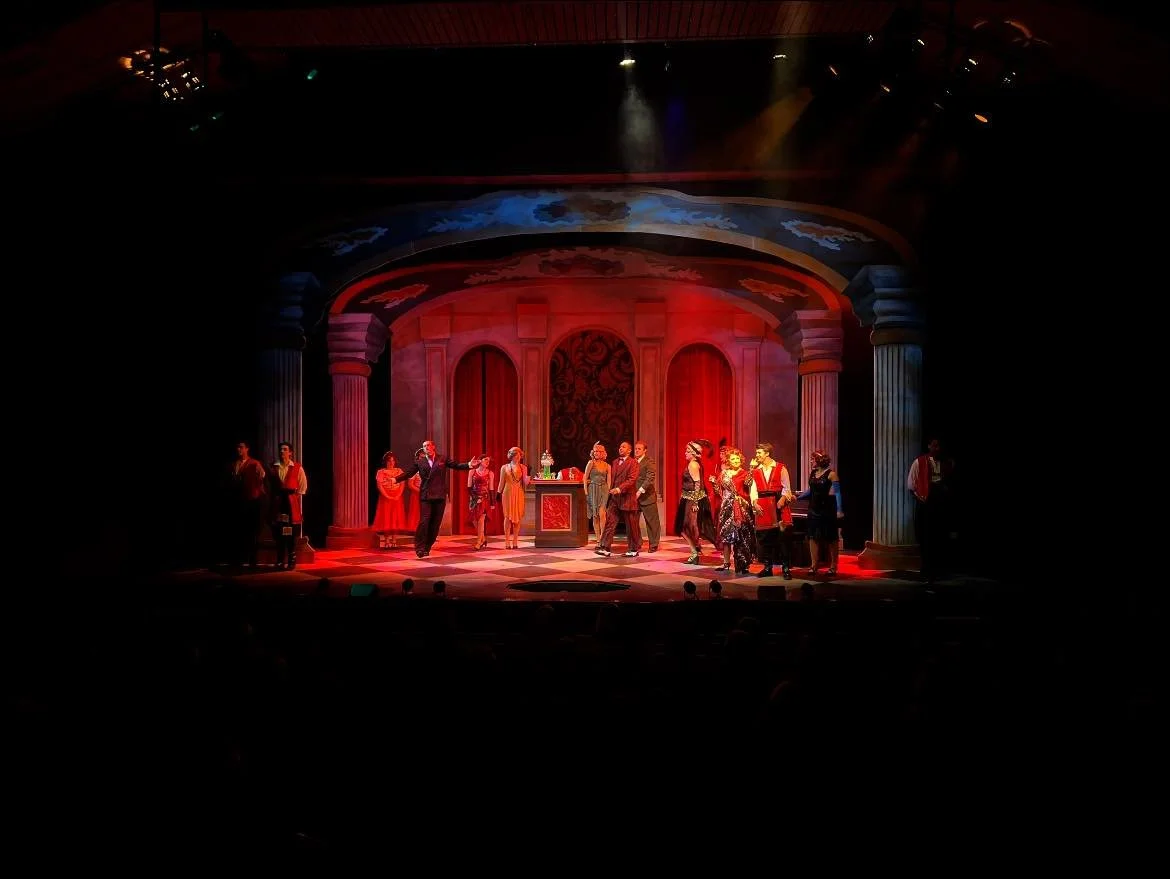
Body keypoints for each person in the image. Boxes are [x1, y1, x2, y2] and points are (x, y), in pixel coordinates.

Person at [391, 440, 479, 558]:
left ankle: (427, 547)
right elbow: (408, 473)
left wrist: (469, 465)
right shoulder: (420, 462)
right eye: (424, 446)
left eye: (428, 445)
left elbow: (456, 465)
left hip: (439, 496)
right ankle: (419, 547)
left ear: (433, 447)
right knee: (424, 521)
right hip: (426, 496)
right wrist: (395, 479)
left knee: (435, 524)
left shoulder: (442, 458)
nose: (426, 447)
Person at [907, 438, 955, 581]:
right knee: (925, 536)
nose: (937, 449)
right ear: (929, 446)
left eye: (939, 446)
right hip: (926, 502)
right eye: (934, 446)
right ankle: (926, 568)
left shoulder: (947, 463)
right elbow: (911, 485)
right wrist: (921, 498)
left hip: (941, 502)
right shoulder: (920, 462)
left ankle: (939, 568)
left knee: (939, 536)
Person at [749, 442, 794, 579]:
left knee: (782, 538)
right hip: (763, 505)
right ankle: (768, 567)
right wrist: (755, 503)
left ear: (767, 453)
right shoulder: (756, 470)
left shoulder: (780, 468)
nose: (757, 455)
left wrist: (783, 499)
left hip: (778, 503)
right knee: (765, 539)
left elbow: (787, 487)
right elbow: (753, 489)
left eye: (759, 453)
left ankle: (786, 568)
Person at [795, 450, 843, 576]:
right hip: (813, 509)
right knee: (812, 537)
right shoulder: (813, 473)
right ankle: (814, 565)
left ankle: (833, 566)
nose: (811, 461)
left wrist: (839, 510)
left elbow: (838, 493)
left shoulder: (831, 474)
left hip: (827, 509)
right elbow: (811, 491)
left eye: (813, 459)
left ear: (819, 460)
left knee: (831, 538)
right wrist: (798, 497)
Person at [710, 446, 756, 574]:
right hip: (726, 507)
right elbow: (719, 492)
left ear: (741, 460)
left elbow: (748, 484)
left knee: (741, 535)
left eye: (737, 459)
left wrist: (751, 469)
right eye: (733, 459)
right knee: (726, 535)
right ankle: (726, 563)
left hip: (740, 507)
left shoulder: (744, 473)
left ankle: (742, 564)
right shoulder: (724, 473)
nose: (736, 461)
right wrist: (713, 483)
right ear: (728, 461)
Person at [674, 439, 716, 564]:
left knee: (689, 527)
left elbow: (697, 484)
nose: (685, 453)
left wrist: (696, 503)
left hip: (692, 500)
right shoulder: (694, 463)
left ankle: (695, 551)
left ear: (693, 453)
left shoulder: (693, 464)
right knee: (684, 527)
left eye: (687, 451)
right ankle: (695, 550)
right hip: (687, 499)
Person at [596, 441, 640, 557]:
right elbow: (612, 479)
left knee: (631, 525)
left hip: (627, 497)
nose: (620, 448)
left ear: (629, 450)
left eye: (623, 447)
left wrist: (619, 489)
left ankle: (633, 549)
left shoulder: (633, 463)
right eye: (620, 446)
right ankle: (605, 547)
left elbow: (632, 479)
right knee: (610, 522)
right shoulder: (615, 462)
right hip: (615, 498)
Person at [268, 441, 308, 570]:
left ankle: (292, 559)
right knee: (279, 532)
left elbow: (302, 486)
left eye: (285, 449)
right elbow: (268, 486)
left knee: (290, 533)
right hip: (278, 504)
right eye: (280, 449)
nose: (282, 451)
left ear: (290, 452)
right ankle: (280, 559)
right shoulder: (273, 467)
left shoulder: (297, 467)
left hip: (290, 505)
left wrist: (294, 498)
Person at [228, 440, 266, 567]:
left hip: (252, 500)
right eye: (238, 447)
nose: (239, 449)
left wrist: (256, 490)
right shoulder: (235, 464)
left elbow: (262, 477)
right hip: (239, 500)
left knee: (252, 530)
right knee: (240, 529)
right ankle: (240, 558)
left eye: (241, 447)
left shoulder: (255, 463)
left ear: (247, 449)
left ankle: (252, 558)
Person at [372, 451, 417, 550]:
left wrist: (398, 495)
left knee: (396, 518)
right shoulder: (381, 472)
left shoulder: (399, 471)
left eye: (393, 461)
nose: (391, 463)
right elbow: (380, 486)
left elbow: (402, 484)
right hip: (385, 497)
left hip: (397, 497)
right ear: (385, 462)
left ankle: (394, 540)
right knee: (386, 518)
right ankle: (387, 540)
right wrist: (387, 496)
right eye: (389, 461)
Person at [498, 447, 531, 550]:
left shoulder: (523, 467)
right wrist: (498, 493)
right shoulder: (504, 467)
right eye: (516, 455)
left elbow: (526, 483)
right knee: (507, 517)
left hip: (518, 492)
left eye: (519, 455)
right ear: (511, 456)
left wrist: (528, 474)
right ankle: (507, 541)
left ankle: (515, 541)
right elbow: (501, 482)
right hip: (507, 493)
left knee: (517, 518)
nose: (518, 457)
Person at [633, 440, 660, 553]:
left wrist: (640, 491)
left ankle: (653, 544)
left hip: (647, 497)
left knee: (652, 522)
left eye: (639, 449)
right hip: (634, 497)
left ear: (645, 450)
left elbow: (650, 478)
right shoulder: (632, 462)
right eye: (636, 449)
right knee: (633, 522)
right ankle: (637, 543)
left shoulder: (649, 461)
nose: (637, 451)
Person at [582, 442, 611, 543]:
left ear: (603, 453)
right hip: (593, 489)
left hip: (604, 489)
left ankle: (603, 537)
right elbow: (585, 478)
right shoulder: (591, 463)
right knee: (595, 515)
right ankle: (598, 538)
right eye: (595, 451)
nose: (596, 453)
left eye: (599, 451)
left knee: (602, 513)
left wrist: (608, 491)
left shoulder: (607, 466)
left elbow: (609, 481)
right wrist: (586, 492)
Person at [467, 455, 495, 550]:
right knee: (474, 520)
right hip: (474, 498)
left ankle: (478, 542)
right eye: (485, 460)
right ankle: (483, 539)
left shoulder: (490, 473)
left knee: (481, 519)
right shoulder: (472, 472)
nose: (487, 462)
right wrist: (475, 498)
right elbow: (469, 488)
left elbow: (491, 489)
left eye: (489, 461)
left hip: (484, 498)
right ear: (480, 461)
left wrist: (492, 503)